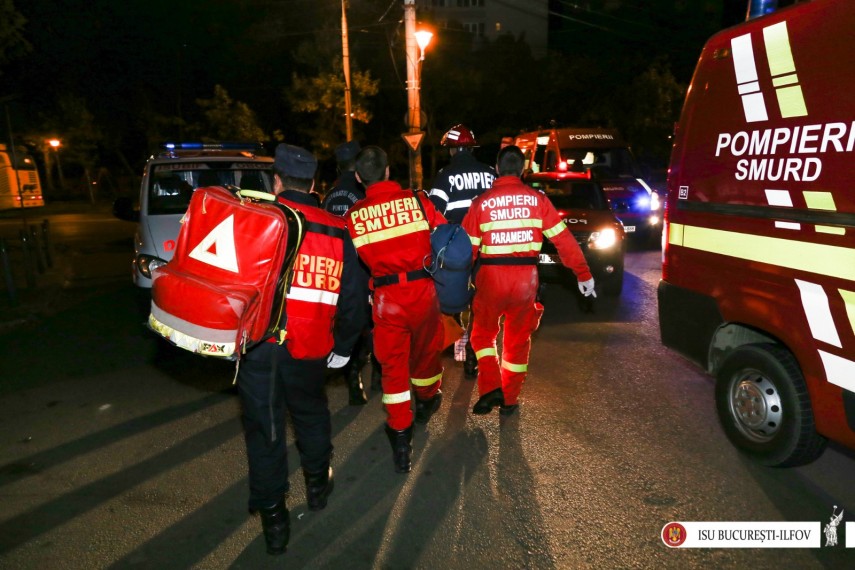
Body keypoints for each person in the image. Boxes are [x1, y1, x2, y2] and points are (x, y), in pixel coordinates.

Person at [237, 143, 367, 556]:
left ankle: (275, 521)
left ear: (276, 181)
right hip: (311, 347)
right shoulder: (337, 229)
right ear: (314, 184)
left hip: (258, 347)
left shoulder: (258, 221)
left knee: (266, 431)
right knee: (311, 417)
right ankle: (317, 485)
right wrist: (344, 347)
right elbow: (353, 297)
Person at [461, 145, 595, 416]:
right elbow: (563, 240)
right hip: (525, 281)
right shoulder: (538, 200)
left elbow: (467, 252)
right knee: (517, 341)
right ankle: (509, 399)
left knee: (482, 335)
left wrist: (458, 285)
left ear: (497, 169)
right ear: (523, 170)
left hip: (491, 279)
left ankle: (490, 388)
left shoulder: (480, 203)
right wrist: (583, 273)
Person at [345, 145, 446, 473]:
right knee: (427, 354)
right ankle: (428, 398)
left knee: (392, 367)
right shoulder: (418, 201)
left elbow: (352, 267)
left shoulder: (353, 216)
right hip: (423, 291)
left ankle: (400, 436)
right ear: (388, 170)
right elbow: (446, 238)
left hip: (387, 299)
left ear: (359, 177)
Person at [428, 124, 496, 379]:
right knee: (479, 301)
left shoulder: (446, 175)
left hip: (455, 248)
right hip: (487, 246)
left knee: (451, 297)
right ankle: (472, 353)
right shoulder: (490, 173)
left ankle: (452, 339)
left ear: (453, 149)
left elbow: (433, 215)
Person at [323, 140, 381, 404]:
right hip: (365, 266)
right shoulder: (367, 195)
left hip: (338, 269)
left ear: (338, 165)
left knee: (348, 323)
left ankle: (354, 380)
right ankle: (378, 375)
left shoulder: (329, 196)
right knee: (373, 323)